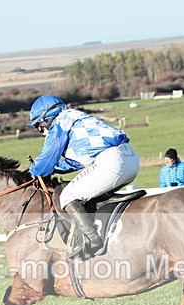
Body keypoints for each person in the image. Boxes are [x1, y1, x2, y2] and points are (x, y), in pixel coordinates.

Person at [28, 95, 140, 260]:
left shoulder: (59, 123)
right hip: (130, 159)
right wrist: (53, 168)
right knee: (85, 194)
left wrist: (34, 171)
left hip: (111, 162)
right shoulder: (76, 117)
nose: (42, 133)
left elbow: (46, 159)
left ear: (47, 120)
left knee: (67, 195)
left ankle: (92, 240)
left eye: (39, 127)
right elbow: (75, 163)